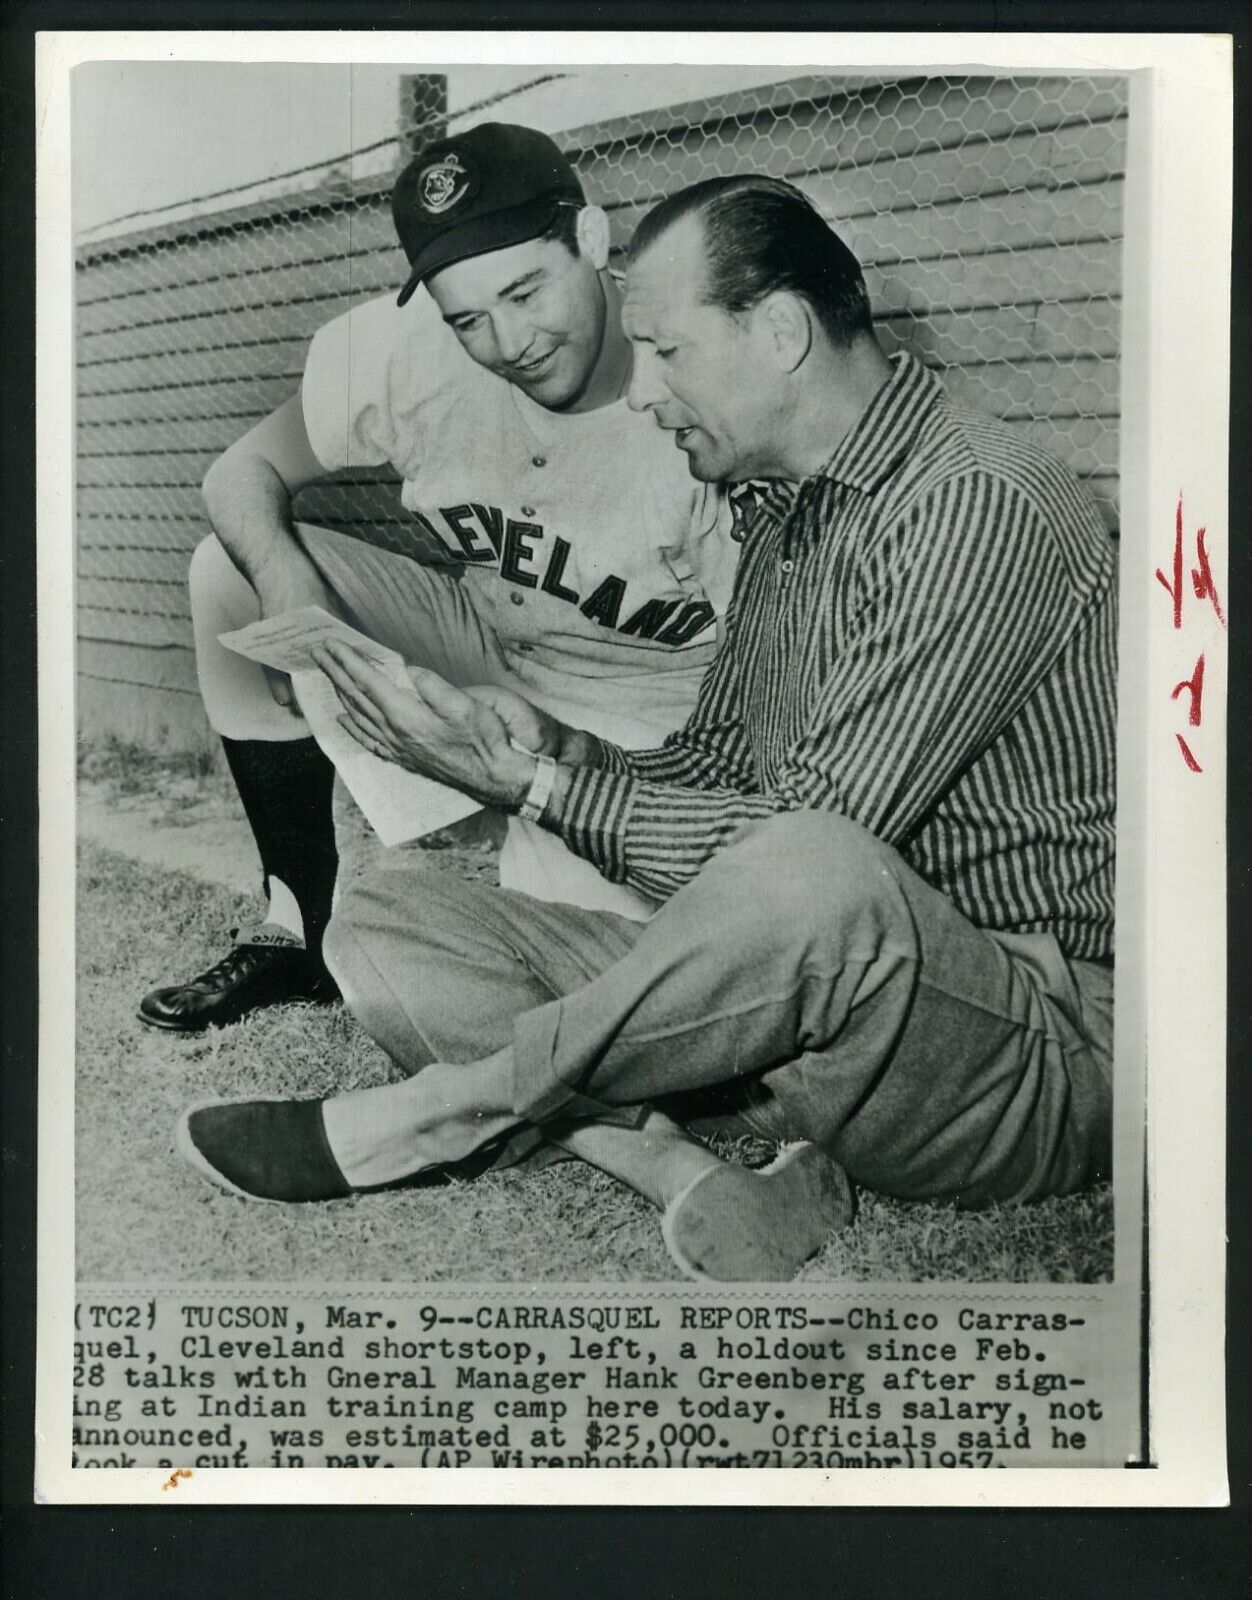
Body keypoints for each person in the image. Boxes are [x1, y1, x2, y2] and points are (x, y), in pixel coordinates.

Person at [177, 175, 1117, 1284]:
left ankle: (454, 1110)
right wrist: (549, 753)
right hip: (792, 1017)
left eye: (666, 351)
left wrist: (537, 795)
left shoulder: (982, 504)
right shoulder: (787, 510)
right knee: (387, 920)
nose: (646, 392)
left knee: (812, 860)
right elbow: (711, 764)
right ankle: (667, 1162)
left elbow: (806, 856)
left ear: (776, 332)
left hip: (1007, 1042)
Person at [138, 121, 738, 1032]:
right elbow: (238, 475)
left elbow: (772, 688)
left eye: (526, 292)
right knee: (228, 569)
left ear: (589, 238)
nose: (507, 341)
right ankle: (295, 931)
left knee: (601, 987)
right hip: (485, 641)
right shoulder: (406, 347)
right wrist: (291, 591)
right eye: (467, 318)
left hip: (648, 712)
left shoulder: (698, 385)